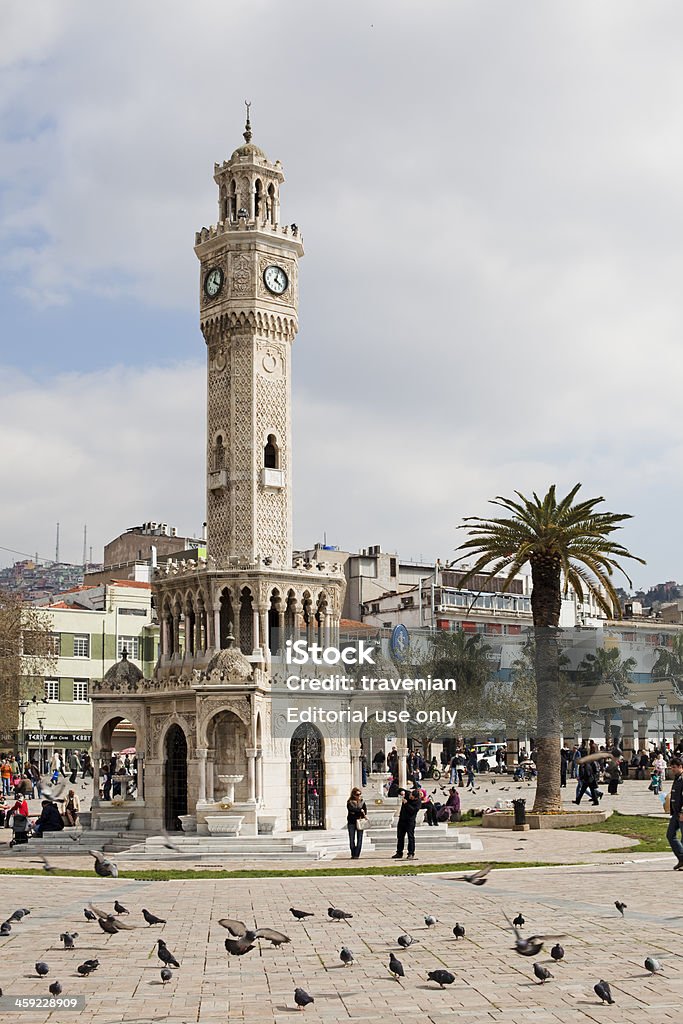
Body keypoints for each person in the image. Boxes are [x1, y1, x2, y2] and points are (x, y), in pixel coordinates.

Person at [392, 789, 421, 860]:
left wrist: (406, 803)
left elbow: (413, 811)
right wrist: (401, 792)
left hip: (410, 821)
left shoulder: (418, 802)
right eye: (410, 795)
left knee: (410, 837)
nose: (410, 797)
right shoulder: (408, 794)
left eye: (412, 797)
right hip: (402, 819)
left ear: (416, 798)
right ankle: (399, 852)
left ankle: (411, 853)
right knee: (400, 837)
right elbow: (399, 789)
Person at [667, 757, 683, 869]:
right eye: (671, 767)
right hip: (675, 813)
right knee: (670, 835)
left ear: (680, 767)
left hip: (681, 813)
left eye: (674, 767)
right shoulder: (677, 778)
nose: (672, 769)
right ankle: (682, 858)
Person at [346, 787, 367, 859]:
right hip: (351, 822)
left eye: (360, 794)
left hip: (360, 821)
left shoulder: (362, 802)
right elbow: (351, 809)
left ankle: (357, 854)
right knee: (352, 839)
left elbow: (364, 811)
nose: (359, 796)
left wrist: (358, 811)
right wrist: (359, 810)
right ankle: (353, 853)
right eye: (357, 794)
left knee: (360, 839)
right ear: (353, 795)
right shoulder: (350, 802)